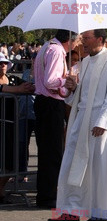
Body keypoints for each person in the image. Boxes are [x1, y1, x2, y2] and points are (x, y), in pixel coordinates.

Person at [47, 29, 107, 221]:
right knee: (72, 165)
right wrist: (71, 88)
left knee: (98, 170)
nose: (82, 42)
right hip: (81, 120)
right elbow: (77, 98)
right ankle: (70, 212)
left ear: (100, 40)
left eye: (86, 39)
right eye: (82, 39)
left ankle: (99, 213)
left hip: (99, 123)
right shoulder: (84, 63)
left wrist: (103, 122)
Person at [34, 29, 73, 208]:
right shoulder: (56, 51)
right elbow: (51, 81)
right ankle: (48, 196)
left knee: (49, 151)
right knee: (53, 151)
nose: (79, 43)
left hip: (46, 102)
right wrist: (67, 81)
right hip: (50, 103)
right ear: (70, 39)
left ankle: (47, 193)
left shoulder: (47, 47)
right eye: (79, 39)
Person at [0, 54, 35, 203]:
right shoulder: (13, 84)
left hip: (10, 124)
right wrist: (17, 90)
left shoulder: (13, 79)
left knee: (9, 159)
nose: (2, 65)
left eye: (4, 63)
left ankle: (1, 190)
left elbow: (27, 87)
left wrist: (28, 86)